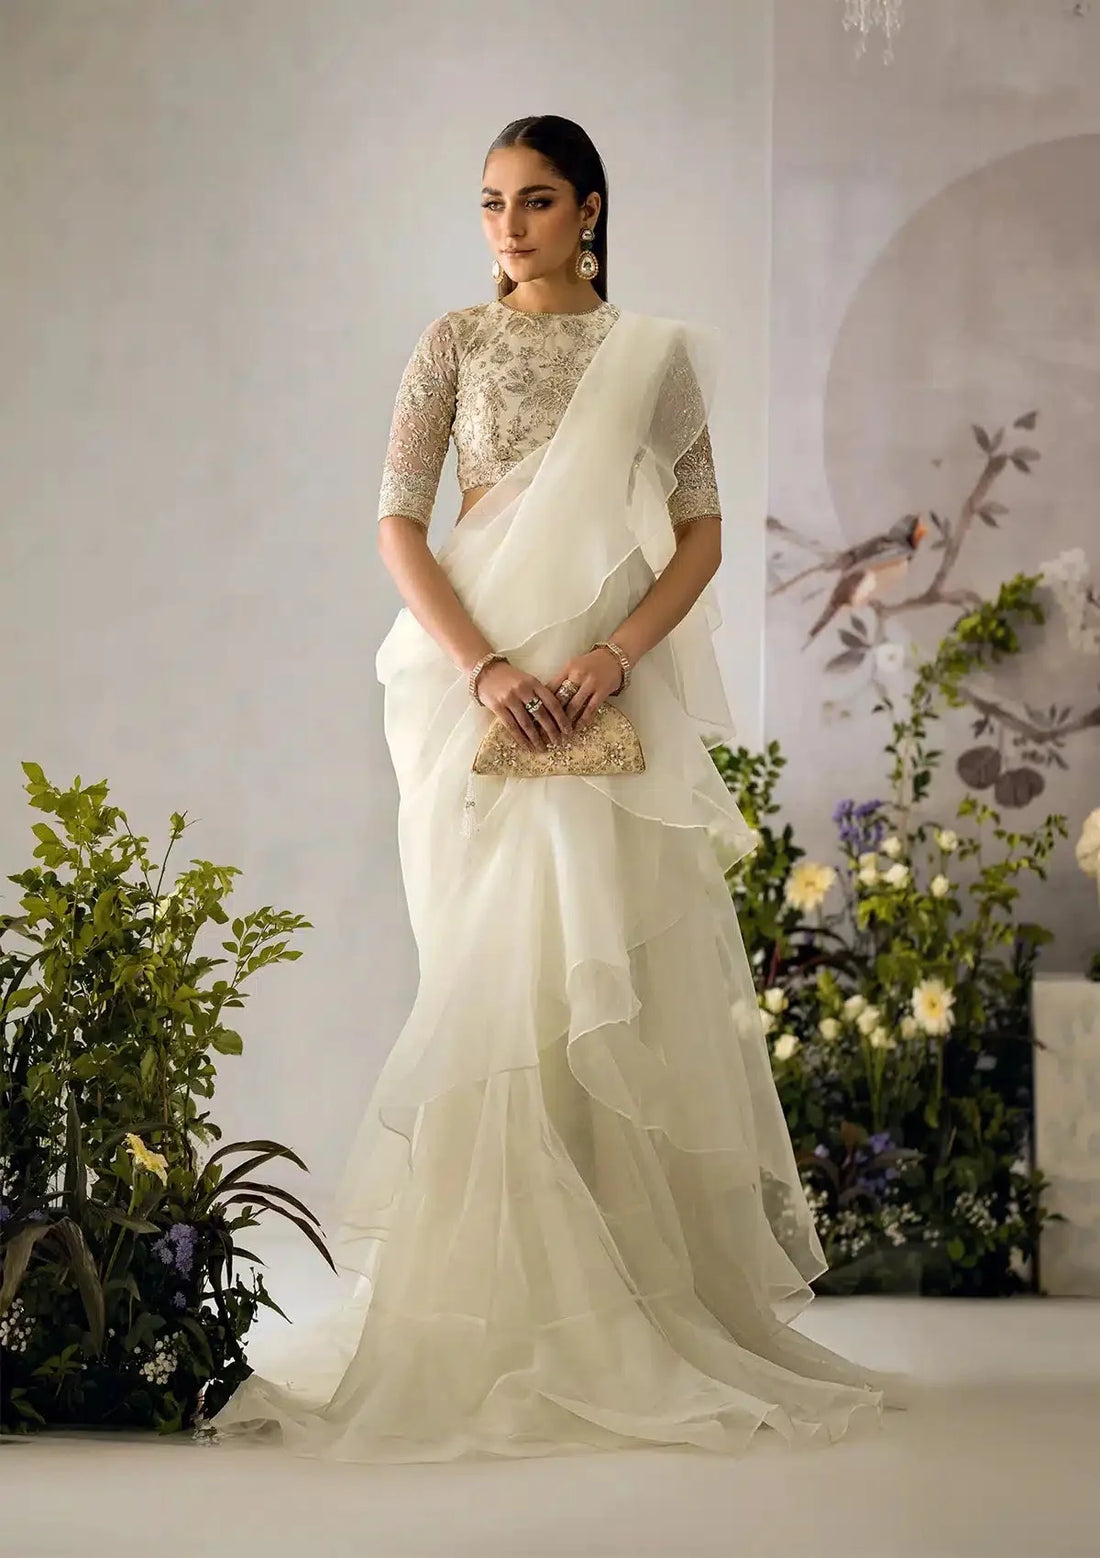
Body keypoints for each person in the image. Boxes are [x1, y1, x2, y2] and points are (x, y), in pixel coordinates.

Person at [209, 113, 905, 1463]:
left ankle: (624, 1300)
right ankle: (489, 1308)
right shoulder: (453, 343)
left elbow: (701, 533)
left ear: (590, 208)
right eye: (490, 202)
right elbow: (398, 522)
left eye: (534, 200)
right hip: (474, 692)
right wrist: (481, 670)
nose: (508, 225)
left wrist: (611, 659)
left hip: (598, 693)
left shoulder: (652, 357)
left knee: (599, 970)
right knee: (492, 973)